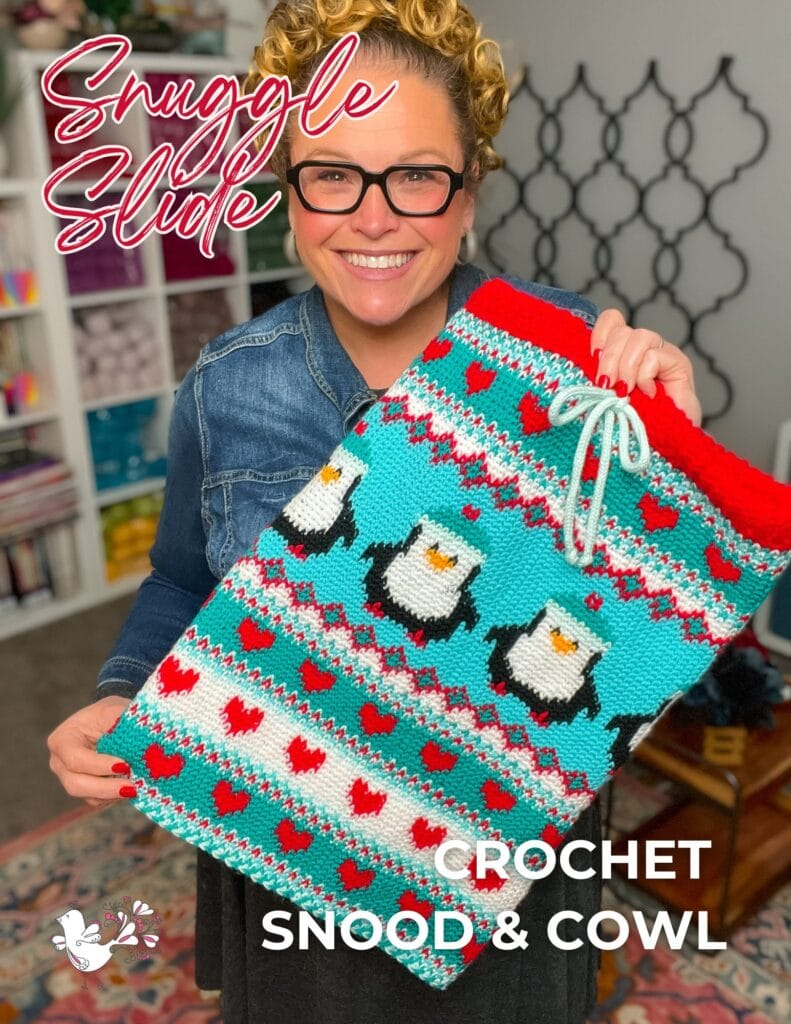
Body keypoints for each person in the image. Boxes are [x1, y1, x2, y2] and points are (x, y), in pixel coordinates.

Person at [47, 1, 702, 1021]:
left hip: (504, 879)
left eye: (416, 176)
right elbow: (182, 576)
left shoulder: (568, 365)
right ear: (289, 193)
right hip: (288, 850)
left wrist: (664, 454)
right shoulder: (225, 388)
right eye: (331, 174)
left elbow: (645, 635)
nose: (373, 214)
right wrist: (124, 687)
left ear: (468, 192)